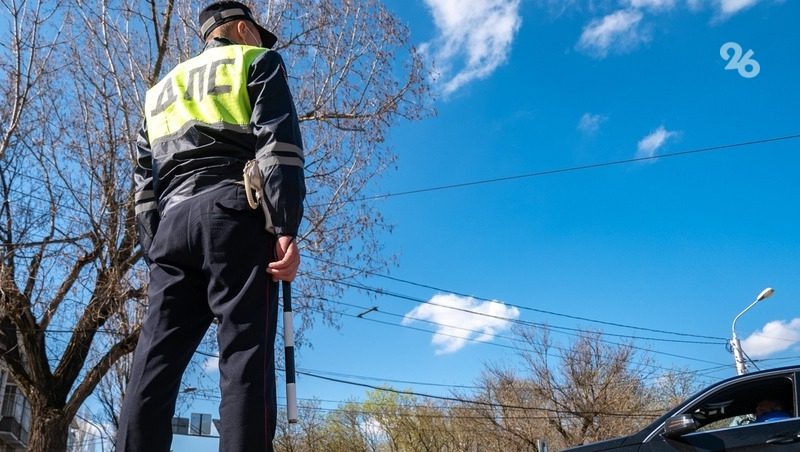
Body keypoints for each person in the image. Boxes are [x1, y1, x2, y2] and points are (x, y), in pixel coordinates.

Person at [117, 2, 305, 451]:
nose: (262, 41)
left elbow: (143, 187)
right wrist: (285, 226)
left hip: (170, 229)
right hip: (233, 213)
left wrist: (154, 248)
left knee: (153, 364)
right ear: (242, 28)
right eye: (258, 33)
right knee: (244, 356)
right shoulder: (257, 61)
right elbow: (278, 148)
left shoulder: (158, 92)